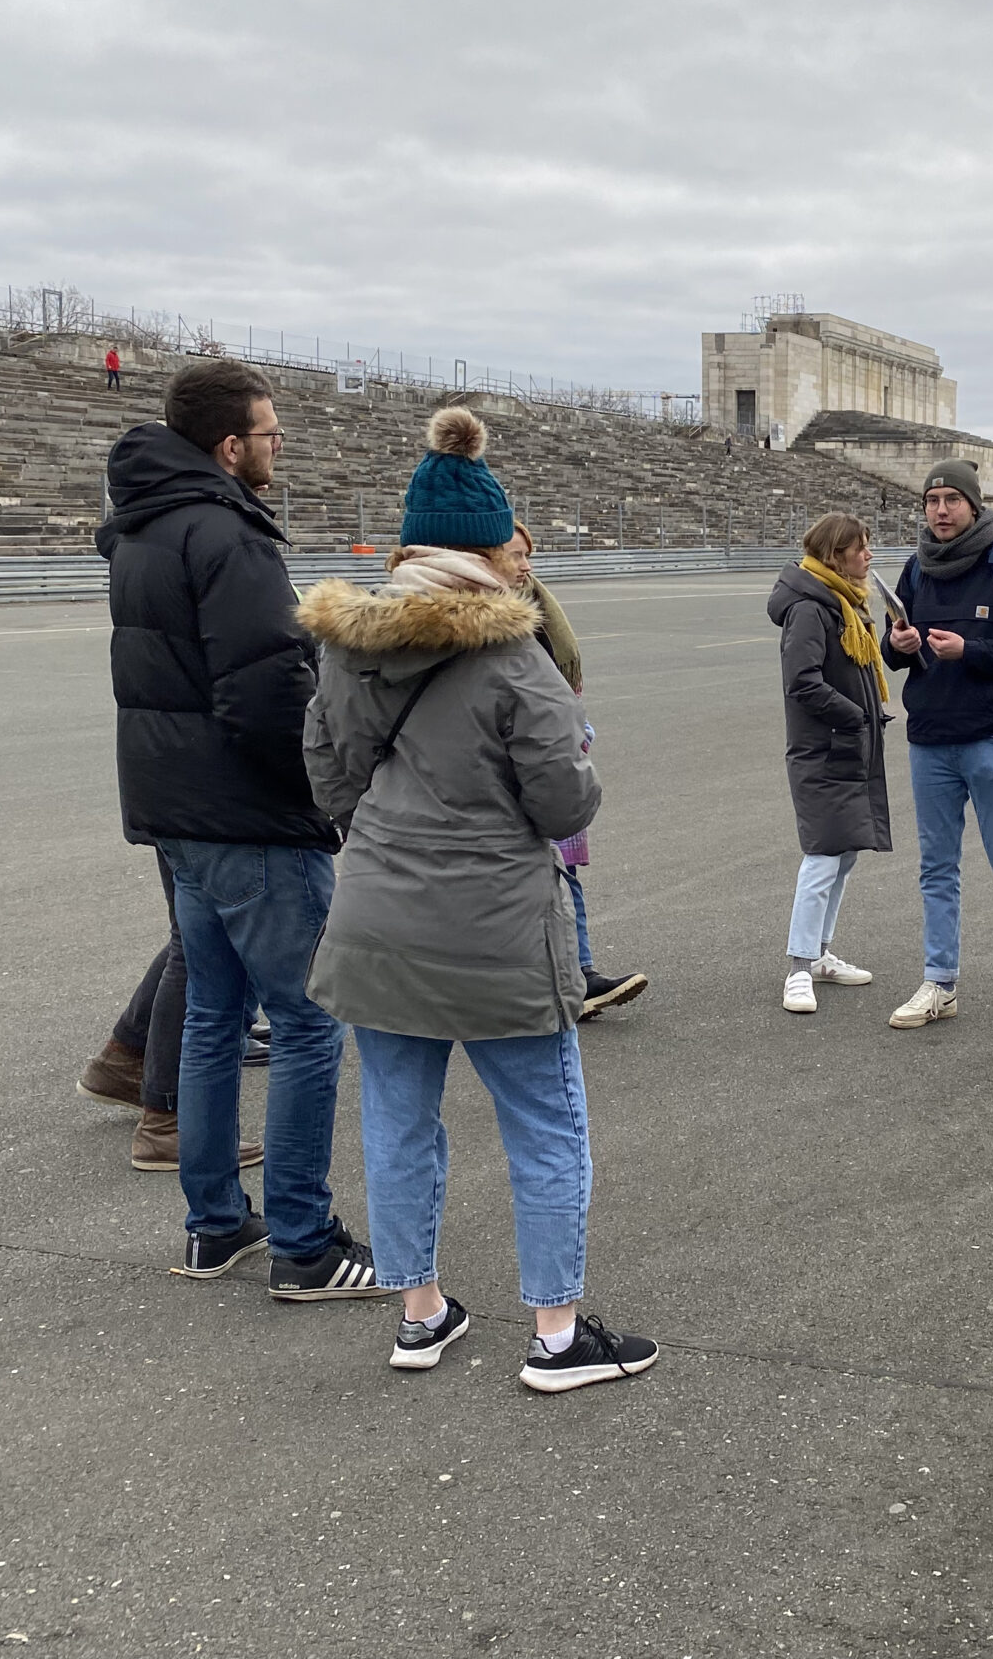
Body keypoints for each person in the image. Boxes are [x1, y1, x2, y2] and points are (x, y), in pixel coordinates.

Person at [299, 405, 658, 1389]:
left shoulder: (343, 648)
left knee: (397, 1118)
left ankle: (419, 1314)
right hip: (495, 926)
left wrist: (380, 839)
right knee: (545, 1122)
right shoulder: (518, 660)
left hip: (376, 918)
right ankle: (554, 1336)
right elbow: (561, 801)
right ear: (493, 552)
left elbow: (325, 777)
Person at [98, 358, 391, 1299]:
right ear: (228, 445)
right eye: (269, 434)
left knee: (218, 1016)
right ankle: (307, 1243)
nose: (277, 446)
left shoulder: (143, 528)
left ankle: (216, 1225)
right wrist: (320, 800)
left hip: (176, 809)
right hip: (246, 817)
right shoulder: (228, 532)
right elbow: (266, 691)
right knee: (308, 1020)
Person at [881, 459, 993, 1035]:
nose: (940, 510)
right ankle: (940, 981)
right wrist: (899, 643)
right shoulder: (917, 567)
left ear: (974, 505)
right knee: (936, 868)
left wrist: (970, 651)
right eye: (932, 500)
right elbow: (893, 652)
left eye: (952, 499)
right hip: (931, 739)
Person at [495, 527, 647, 1019]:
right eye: (515, 556)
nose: (525, 565)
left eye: (528, 555)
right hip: (513, 774)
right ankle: (549, 981)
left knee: (566, 877)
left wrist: (577, 731)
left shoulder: (538, 612)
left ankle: (580, 976)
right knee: (528, 886)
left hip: (554, 758)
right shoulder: (491, 625)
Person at [767, 512, 892, 1012]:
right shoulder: (809, 608)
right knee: (822, 855)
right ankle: (798, 968)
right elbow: (802, 682)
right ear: (835, 554)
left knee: (844, 853)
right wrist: (856, 714)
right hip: (823, 749)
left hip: (847, 745)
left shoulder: (844, 601)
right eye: (860, 548)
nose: (868, 555)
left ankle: (819, 954)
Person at [76, 851, 268, 1171]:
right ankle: (164, 1120)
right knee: (209, 932)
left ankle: (126, 1058)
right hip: (203, 810)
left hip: (175, 807)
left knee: (199, 930)